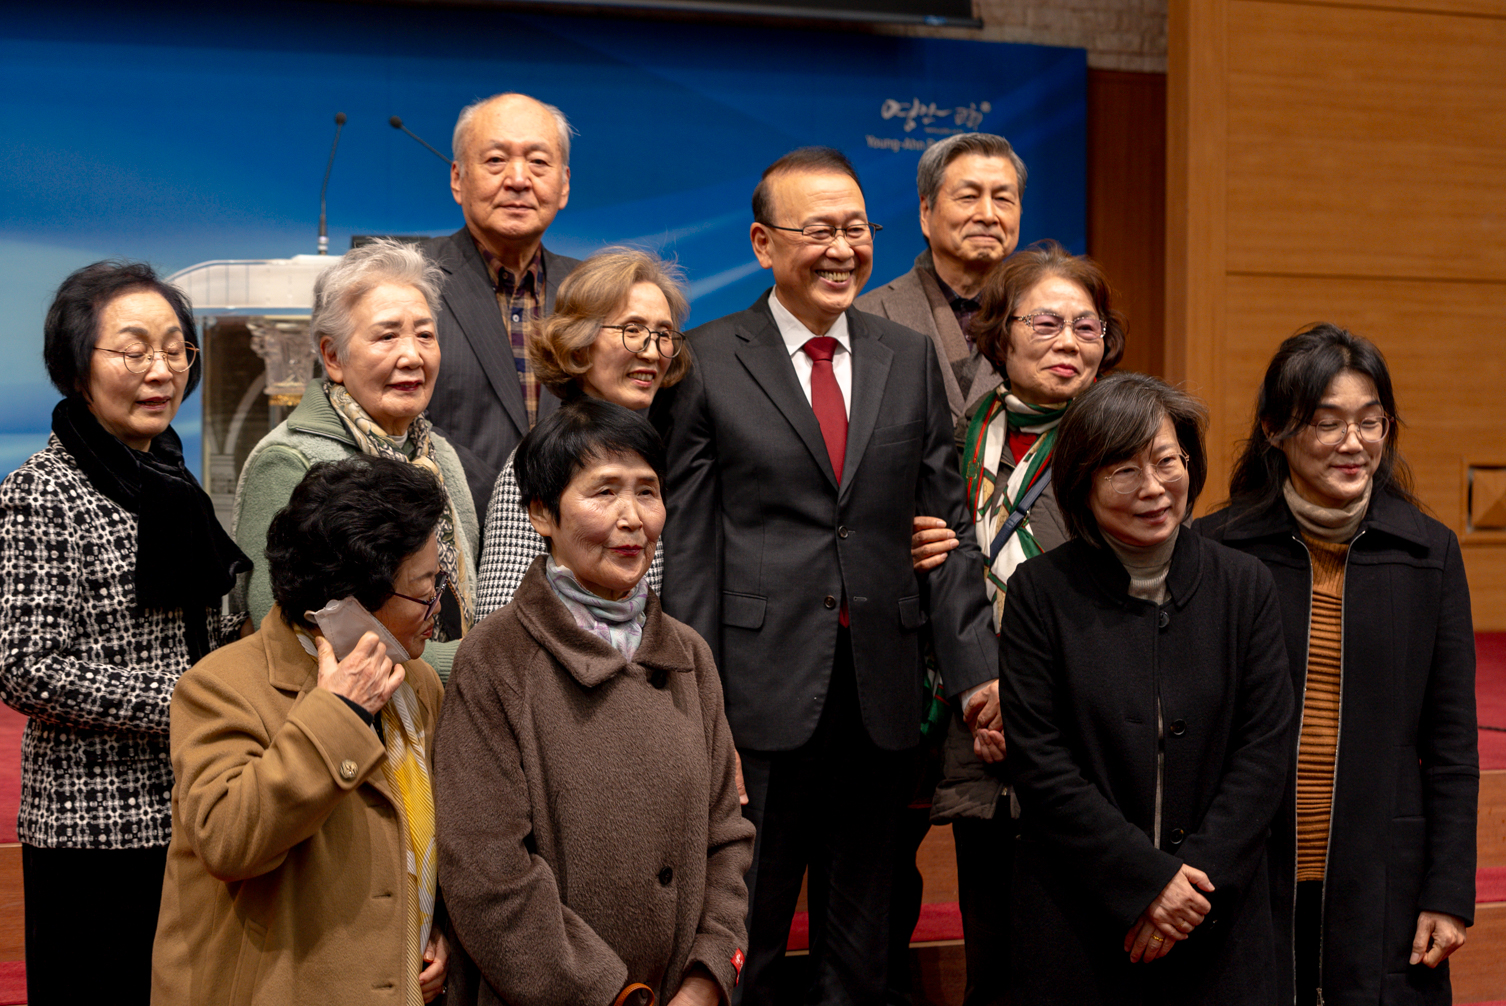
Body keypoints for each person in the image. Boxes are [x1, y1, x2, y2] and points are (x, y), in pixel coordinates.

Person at [660, 146, 998, 1006]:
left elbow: (946, 527)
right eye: (820, 231)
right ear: (763, 242)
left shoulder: (907, 356)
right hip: (755, 698)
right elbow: (691, 549)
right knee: (746, 937)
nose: (843, 248)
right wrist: (699, 709)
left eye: (857, 228)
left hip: (881, 698)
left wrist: (975, 676)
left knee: (865, 950)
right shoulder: (707, 358)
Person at [435, 396, 753, 1006]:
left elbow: (727, 838)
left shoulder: (688, 654)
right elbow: (487, 873)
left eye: (647, 491)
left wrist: (707, 978)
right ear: (541, 513)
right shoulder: (496, 658)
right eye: (604, 492)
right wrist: (610, 994)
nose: (632, 518)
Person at [1194, 324, 1477, 1005]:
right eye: (1327, 423)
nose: (1354, 443)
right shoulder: (1219, 550)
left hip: (1383, 871)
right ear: (1275, 429)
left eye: (1370, 422)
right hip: (1248, 867)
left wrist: (1448, 891)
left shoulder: (1427, 553)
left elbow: (1451, 745)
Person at [997, 372, 1293, 1005]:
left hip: (1217, 915)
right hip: (1080, 913)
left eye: (1166, 461)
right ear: (1082, 482)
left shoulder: (1245, 585)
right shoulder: (1039, 594)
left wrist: (1190, 890)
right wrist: (1146, 884)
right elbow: (1042, 764)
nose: (1154, 487)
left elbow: (1264, 753)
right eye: (1124, 470)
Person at [0, 261, 250, 1006]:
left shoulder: (168, 475)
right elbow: (26, 666)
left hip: (192, 808)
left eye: (175, 350)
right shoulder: (42, 491)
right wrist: (193, 700)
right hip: (93, 828)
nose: (160, 370)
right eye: (134, 351)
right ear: (78, 366)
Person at [903, 239, 1126, 1005]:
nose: (1069, 342)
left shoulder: (1128, 440)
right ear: (999, 334)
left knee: (1081, 959)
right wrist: (981, 688)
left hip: (1087, 730)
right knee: (994, 950)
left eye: (1087, 327)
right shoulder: (958, 437)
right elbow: (947, 571)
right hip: (982, 727)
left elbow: (1131, 600)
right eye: (1046, 324)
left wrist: (1025, 701)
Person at [153, 455, 451, 1003]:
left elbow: (418, 845)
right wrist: (338, 714)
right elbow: (228, 842)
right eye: (425, 588)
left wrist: (432, 928)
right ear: (351, 601)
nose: (439, 606)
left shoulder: (417, 683)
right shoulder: (221, 685)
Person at [233, 239, 479, 680]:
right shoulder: (289, 458)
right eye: (387, 336)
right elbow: (288, 632)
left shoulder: (438, 455)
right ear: (333, 356)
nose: (412, 355)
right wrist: (471, 665)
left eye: (425, 335)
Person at [474, 247, 690, 618]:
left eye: (664, 333)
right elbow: (501, 623)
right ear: (578, 344)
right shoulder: (542, 458)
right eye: (632, 330)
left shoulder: (656, 449)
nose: (652, 352)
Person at [424, 92, 583, 518]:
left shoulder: (593, 294)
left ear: (564, 184)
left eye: (538, 162)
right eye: (495, 160)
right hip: (443, 533)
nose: (518, 179)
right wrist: (510, 510)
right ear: (457, 178)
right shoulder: (410, 282)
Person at [856, 132, 1026, 440]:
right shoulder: (862, 316)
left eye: (1003, 199)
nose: (988, 215)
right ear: (925, 211)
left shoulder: (1049, 321)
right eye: (968, 197)